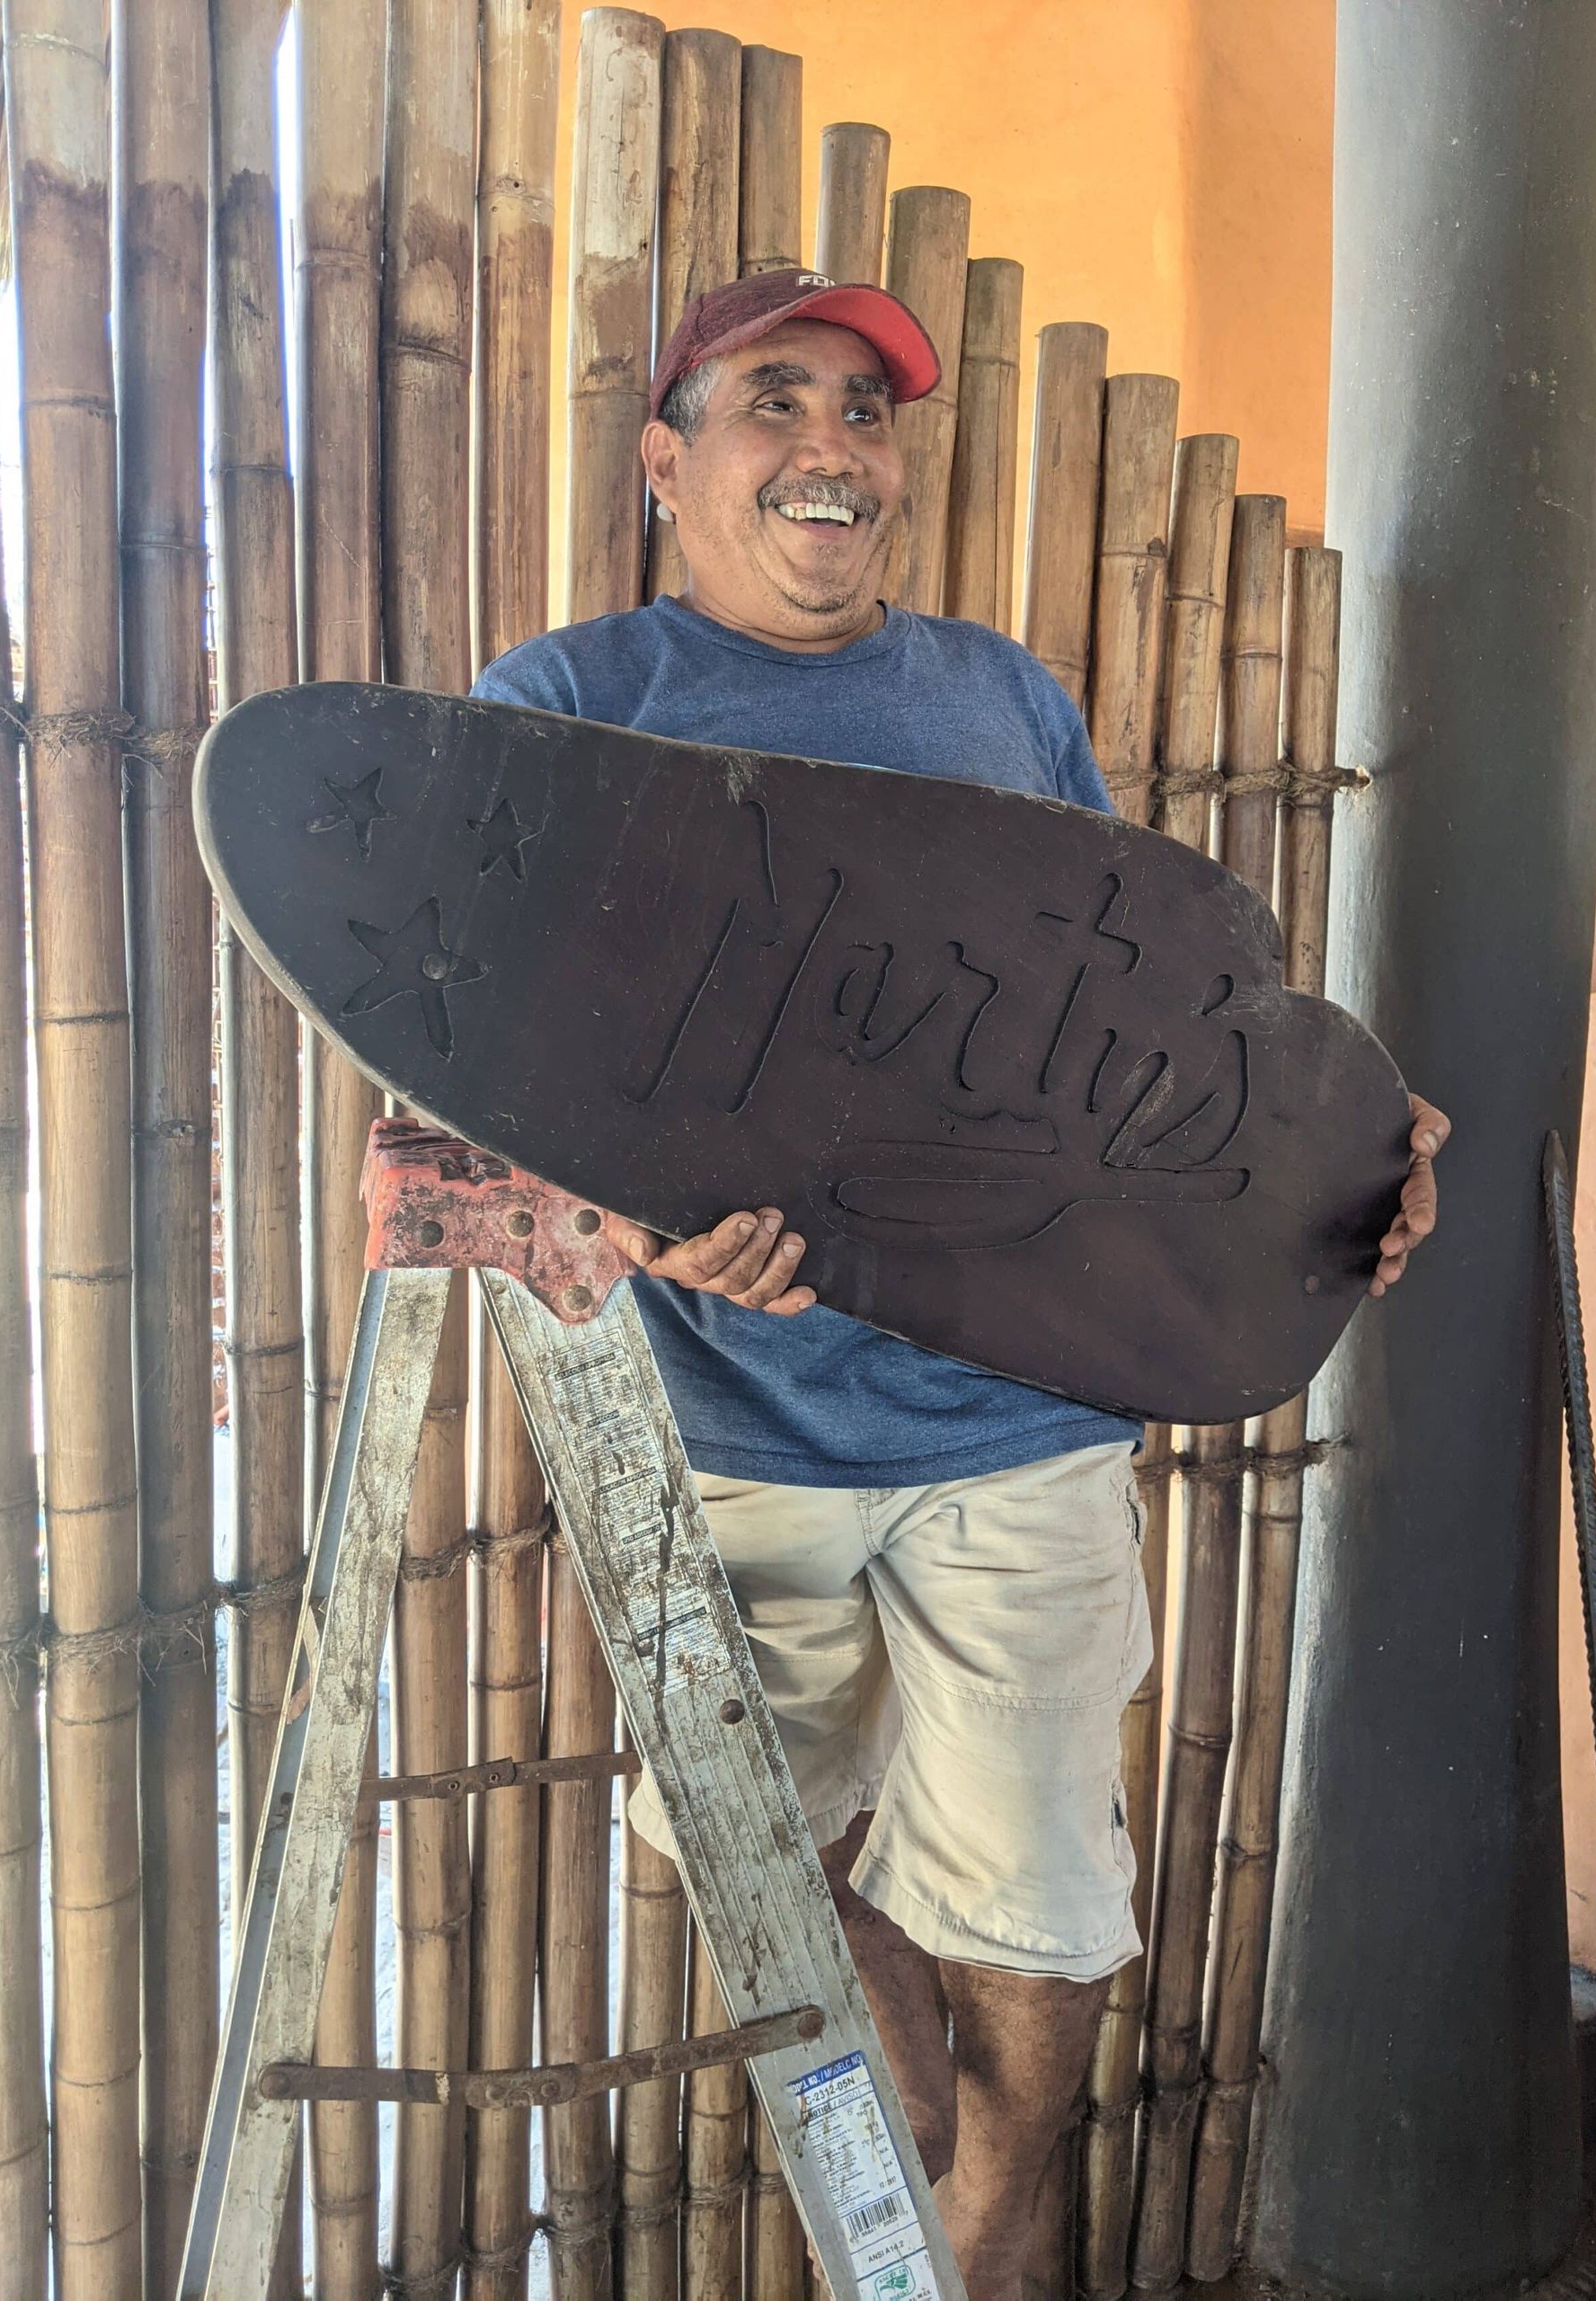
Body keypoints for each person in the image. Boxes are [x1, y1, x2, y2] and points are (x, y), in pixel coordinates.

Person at [474, 269, 1449, 2301]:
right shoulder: (567, 705)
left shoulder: (1000, 695)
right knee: (775, 1852)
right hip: (729, 1433)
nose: (831, 443)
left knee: (1035, 1905)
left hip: (1022, 1411)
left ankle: (979, 2254)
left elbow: (1127, 1031)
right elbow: (472, 1037)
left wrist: (1339, 1147)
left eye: (863, 408)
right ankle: (920, 2172)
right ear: (669, 463)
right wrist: (637, 1217)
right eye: (773, 401)